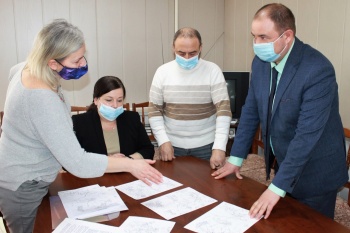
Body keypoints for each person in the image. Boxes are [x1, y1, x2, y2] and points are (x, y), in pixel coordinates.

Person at [0, 19, 162, 233]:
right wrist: (131, 165)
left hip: (25, 171)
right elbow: (77, 162)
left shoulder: (24, 68)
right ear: (53, 63)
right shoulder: (42, 99)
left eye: (83, 56)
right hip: (23, 185)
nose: (83, 64)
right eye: (76, 61)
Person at [212, 3, 349, 220]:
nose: (257, 44)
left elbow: (306, 136)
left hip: (316, 170)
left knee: (312, 226)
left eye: (264, 37)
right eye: (254, 36)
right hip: (285, 162)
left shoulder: (317, 69)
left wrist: (275, 189)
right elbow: (250, 111)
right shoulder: (260, 63)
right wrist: (235, 158)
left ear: (287, 36)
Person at [148, 27, 232, 169]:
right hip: (172, 146)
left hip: (206, 146)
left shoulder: (213, 70)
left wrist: (219, 147)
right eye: (181, 53)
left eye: (193, 53)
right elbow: (154, 110)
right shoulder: (162, 72)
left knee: (208, 188)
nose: (187, 58)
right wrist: (162, 141)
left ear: (201, 48)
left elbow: (223, 111)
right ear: (173, 48)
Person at [72, 76, 155, 160]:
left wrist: (128, 159)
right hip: (97, 172)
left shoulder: (131, 118)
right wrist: (108, 161)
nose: (115, 105)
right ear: (96, 100)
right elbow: (72, 159)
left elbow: (148, 149)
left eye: (119, 100)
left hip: (127, 171)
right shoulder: (80, 122)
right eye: (109, 100)